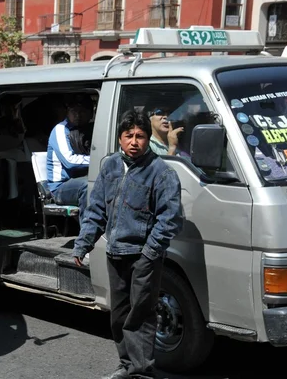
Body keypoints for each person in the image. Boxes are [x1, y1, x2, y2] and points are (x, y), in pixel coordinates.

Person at [72, 109, 184, 379]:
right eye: (129, 136)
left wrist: (149, 253)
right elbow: (96, 208)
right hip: (115, 253)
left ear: (148, 139)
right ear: (120, 139)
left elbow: (171, 219)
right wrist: (82, 244)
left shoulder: (161, 173)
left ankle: (142, 372)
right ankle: (127, 366)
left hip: (143, 257)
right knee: (119, 315)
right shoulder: (110, 166)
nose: (135, 142)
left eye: (141, 136)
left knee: (141, 316)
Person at [46, 93, 94, 222]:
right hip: (61, 187)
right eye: (74, 111)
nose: (78, 115)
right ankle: (87, 233)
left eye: (83, 111)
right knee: (88, 186)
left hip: (80, 179)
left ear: (91, 113)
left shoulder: (89, 130)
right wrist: (97, 160)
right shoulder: (61, 130)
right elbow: (70, 162)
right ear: (68, 112)